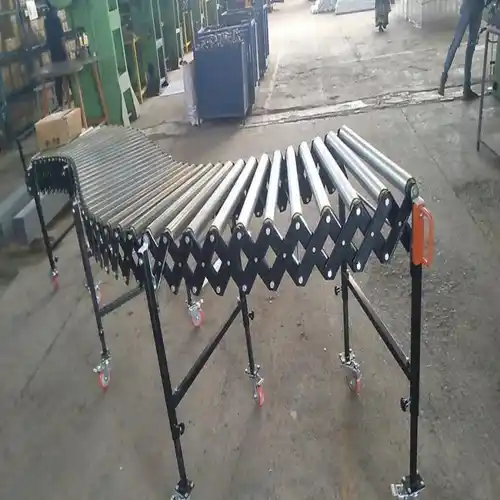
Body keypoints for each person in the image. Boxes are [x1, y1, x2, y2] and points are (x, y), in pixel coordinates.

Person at [439, 0, 493, 100]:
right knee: (470, 49)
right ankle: (466, 88)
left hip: (468, 7)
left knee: (455, 43)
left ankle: (444, 78)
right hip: (476, 10)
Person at [44, 2, 68, 108]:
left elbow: (48, 40)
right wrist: (66, 53)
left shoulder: (46, 21)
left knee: (58, 80)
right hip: (61, 52)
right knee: (68, 75)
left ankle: (60, 103)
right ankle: (73, 97)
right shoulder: (57, 20)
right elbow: (61, 38)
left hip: (54, 54)